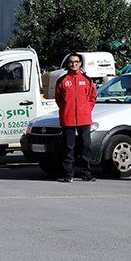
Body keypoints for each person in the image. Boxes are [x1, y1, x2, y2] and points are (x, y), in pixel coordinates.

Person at [55, 52, 97, 182]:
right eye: (71, 62)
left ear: (80, 63)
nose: (74, 64)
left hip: (84, 119)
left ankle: (86, 173)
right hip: (68, 119)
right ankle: (68, 174)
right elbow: (59, 99)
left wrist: (86, 109)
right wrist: (66, 109)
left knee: (86, 146)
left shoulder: (87, 80)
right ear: (68, 64)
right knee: (68, 148)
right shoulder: (62, 80)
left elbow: (92, 97)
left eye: (76, 62)